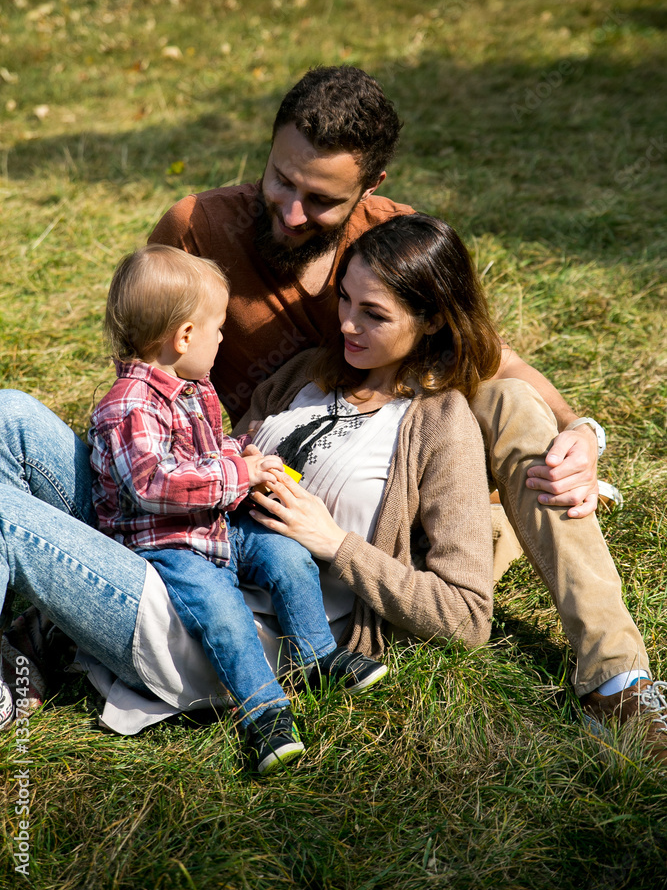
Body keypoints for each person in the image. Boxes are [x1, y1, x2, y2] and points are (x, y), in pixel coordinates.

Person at [1, 66, 665, 760]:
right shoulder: (198, 230)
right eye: (280, 180)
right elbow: (142, 387)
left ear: (368, 190)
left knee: (512, 403)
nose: (290, 211)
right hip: (205, 486)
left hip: (276, 528)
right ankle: (44, 623)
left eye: (319, 199)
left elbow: (495, 359)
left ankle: (614, 677)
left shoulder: (391, 249)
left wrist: (580, 433)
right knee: (10, 415)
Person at [0, 217, 496, 749]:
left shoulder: (442, 424)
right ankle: (28, 636)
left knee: (5, 515)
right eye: (346, 300)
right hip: (176, 537)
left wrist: (335, 543)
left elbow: (467, 613)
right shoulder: (309, 372)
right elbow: (202, 458)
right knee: (10, 412)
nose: (348, 325)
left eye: (373, 314)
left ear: (432, 322)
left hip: (231, 617)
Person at [87, 244, 388, 773]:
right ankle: (263, 712)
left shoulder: (194, 386)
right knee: (223, 613)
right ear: (183, 336)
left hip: (217, 524)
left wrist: (242, 455)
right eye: (218, 328)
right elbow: (155, 486)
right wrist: (237, 476)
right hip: (168, 545)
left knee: (287, 555)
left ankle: (315, 653)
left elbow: (210, 447)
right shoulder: (128, 405)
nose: (223, 338)